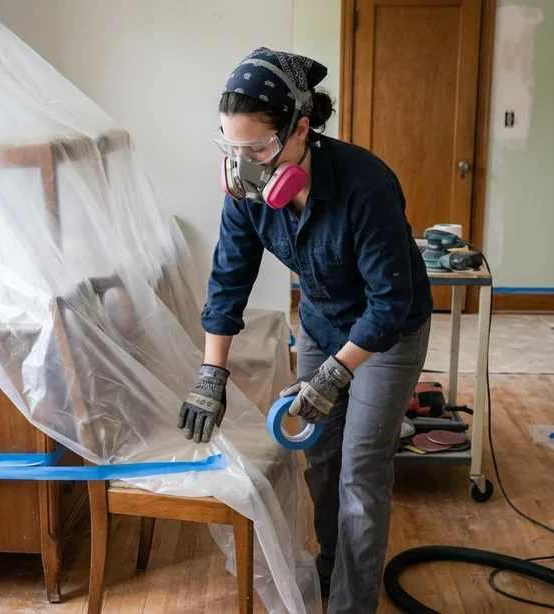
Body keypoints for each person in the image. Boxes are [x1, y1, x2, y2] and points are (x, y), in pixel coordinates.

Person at [176, 47, 433, 612]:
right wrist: (210, 373)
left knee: (361, 470)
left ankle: (351, 604)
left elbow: (391, 302)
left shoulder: (365, 185)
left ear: (301, 130)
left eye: (258, 148)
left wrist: (339, 373)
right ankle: (332, 566)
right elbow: (228, 282)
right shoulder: (247, 197)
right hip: (320, 323)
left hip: (386, 334)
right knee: (320, 460)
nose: (243, 164)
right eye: (230, 146)